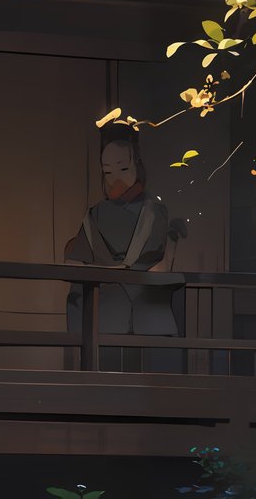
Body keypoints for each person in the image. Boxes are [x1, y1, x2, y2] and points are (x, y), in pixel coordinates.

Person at [63, 128, 186, 356]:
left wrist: (103, 270)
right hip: (102, 311)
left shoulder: (154, 211)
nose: (115, 178)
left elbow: (154, 262)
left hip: (142, 308)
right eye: (108, 171)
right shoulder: (95, 214)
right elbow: (75, 260)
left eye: (123, 168)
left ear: (136, 165)